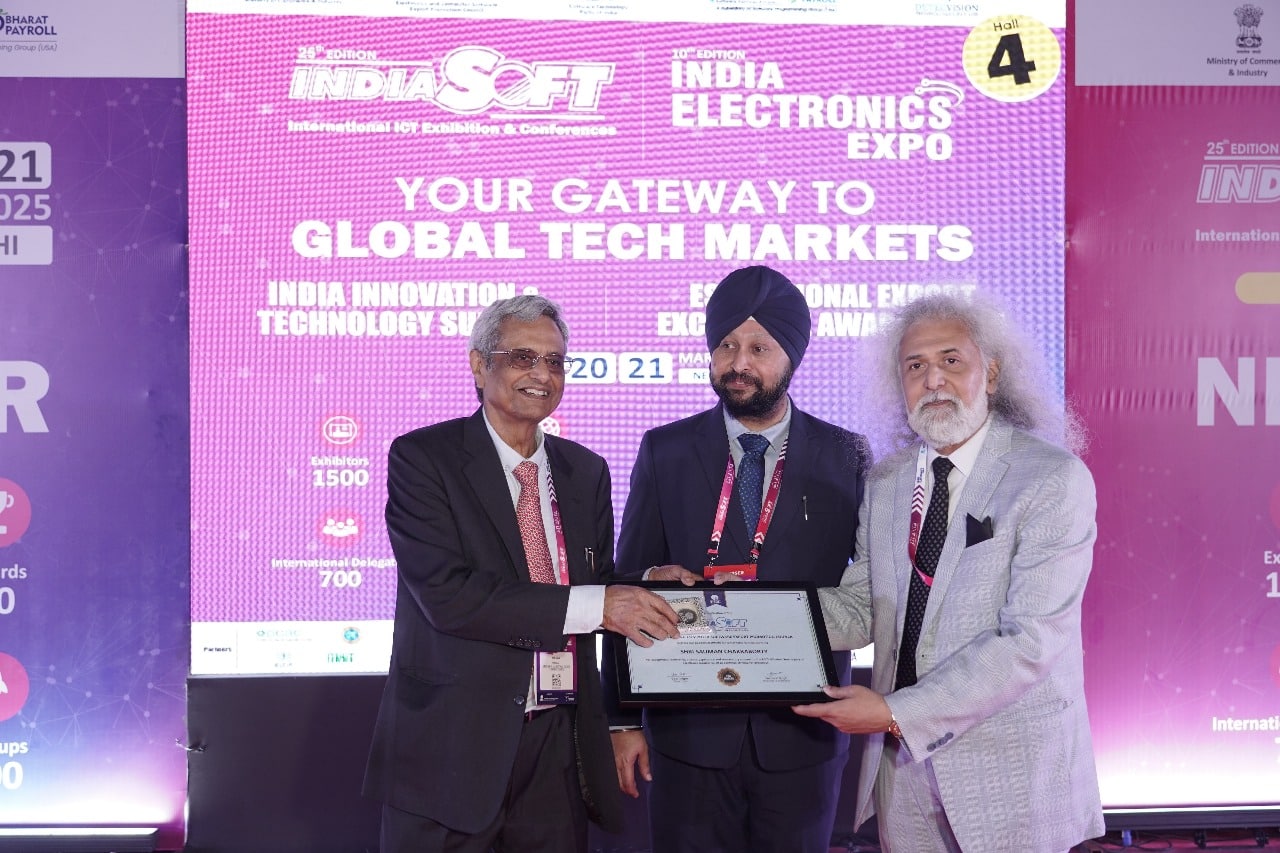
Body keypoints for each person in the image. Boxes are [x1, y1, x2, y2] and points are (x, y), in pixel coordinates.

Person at [364, 295, 682, 853]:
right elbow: (448, 595)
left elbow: (591, 579)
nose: (542, 374)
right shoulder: (424, 458)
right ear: (479, 365)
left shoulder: (585, 470)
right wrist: (603, 605)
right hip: (452, 749)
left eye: (555, 361)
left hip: (557, 747)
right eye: (522, 357)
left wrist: (649, 582)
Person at [793, 291, 1104, 852]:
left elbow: (1030, 640)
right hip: (904, 775)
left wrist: (894, 712)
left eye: (951, 360)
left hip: (1013, 775)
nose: (933, 380)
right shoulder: (887, 483)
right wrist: (746, 608)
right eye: (915, 367)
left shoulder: (1051, 478)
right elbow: (862, 608)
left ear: (992, 373)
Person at [606, 265, 872, 853]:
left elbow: (874, 585)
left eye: (758, 348)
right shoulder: (665, 450)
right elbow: (623, 584)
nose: (738, 363)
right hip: (687, 735)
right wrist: (620, 720)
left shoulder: (846, 456)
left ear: (792, 357)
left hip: (804, 733)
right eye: (725, 345)